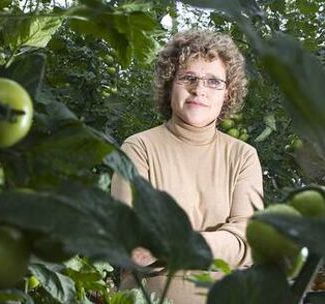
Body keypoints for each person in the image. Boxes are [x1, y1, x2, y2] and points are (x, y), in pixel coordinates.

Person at [110, 29, 264, 304]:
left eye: (214, 81)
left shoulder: (243, 156)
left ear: (228, 93)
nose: (199, 89)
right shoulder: (138, 148)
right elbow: (135, 246)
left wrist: (169, 245)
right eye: (188, 77)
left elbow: (249, 244)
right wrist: (221, 245)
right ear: (170, 84)